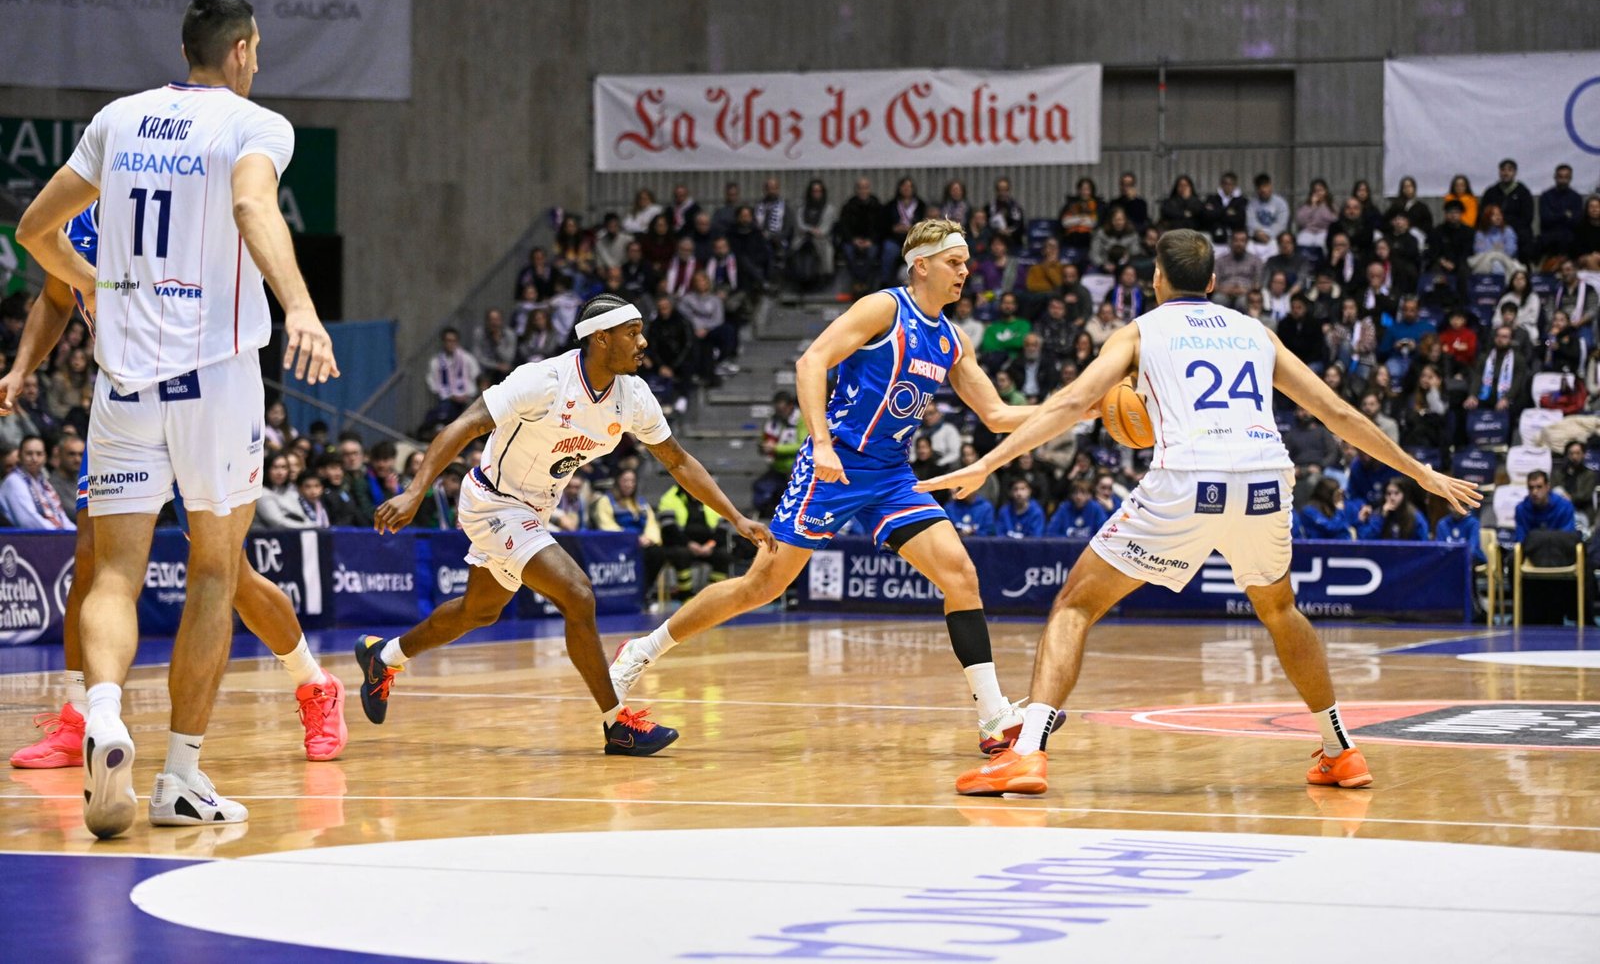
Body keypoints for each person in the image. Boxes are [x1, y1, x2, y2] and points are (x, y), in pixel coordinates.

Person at [918, 228, 1480, 796]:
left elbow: (1066, 404)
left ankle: (1028, 751)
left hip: (1190, 477)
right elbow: (1336, 411)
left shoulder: (1141, 330)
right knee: (1281, 610)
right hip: (1265, 478)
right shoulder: (1254, 332)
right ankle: (1341, 750)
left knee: (1075, 605)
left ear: (1157, 280)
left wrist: (988, 463)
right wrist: (1420, 472)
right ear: (1213, 282)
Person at [12, 0, 342, 836]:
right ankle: (180, 777)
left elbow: (34, 229)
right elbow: (251, 207)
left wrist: (90, 284)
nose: (258, 62)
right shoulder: (255, 125)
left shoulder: (117, 119)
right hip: (214, 379)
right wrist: (300, 304)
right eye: (257, 49)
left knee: (113, 572)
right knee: (212, 573)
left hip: (120, 383)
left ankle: (105, 712)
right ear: (238, 51)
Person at [609, 218, 1059, 755]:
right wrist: (820, 442)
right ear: (922, 265)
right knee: (762, 587)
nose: (966, 271)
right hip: (836, 465)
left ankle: (994, 720)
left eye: (966, 262)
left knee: (960, 574)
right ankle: (643, 650)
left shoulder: (951, 339)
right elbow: (811, 361)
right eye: (955, 262)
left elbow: (997, 415)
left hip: (892, 476)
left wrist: (1081, 406)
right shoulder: (884, 309)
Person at [365, 294, 773, 758]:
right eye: (632, 332)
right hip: (493, 502)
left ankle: (384, 657)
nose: (643, 342)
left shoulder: (633, 396)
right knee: (577, 593)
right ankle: (617, 725)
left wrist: (735, 517)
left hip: (534, 512)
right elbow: (463, 426)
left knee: (478, 611)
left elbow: (678, 462)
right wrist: (416, 490)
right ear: (601, 339)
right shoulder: (544, 381)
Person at [1, 434, 74, 530]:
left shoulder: (44, 484)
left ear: (45, 457)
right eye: (29, 454)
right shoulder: (13, 481)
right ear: (19, 456)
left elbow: (61, 516)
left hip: (53, 537)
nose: (34, 459)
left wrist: (75, 533)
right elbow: (28, 521)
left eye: (39, 454)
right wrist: (61, 535)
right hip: (25, 541)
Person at [1515, 469, 1576, 543]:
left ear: (1547, 487)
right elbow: (1521, 540)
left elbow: (1567, 538)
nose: (1534, 492)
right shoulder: (1521, 510)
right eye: (1531, 488)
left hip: (1558, 550)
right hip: (1532, 551)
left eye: (1539, 487)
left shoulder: (1565, 507)